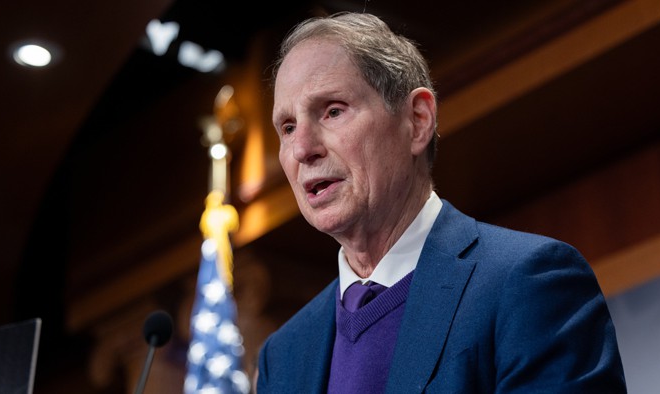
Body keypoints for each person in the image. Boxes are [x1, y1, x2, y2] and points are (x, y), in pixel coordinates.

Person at [256, 11, 626, 393]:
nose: (302, 149)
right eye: (288, 127)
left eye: (333, 111)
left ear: (417, 121)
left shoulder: (528, 284)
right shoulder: (282, 357)